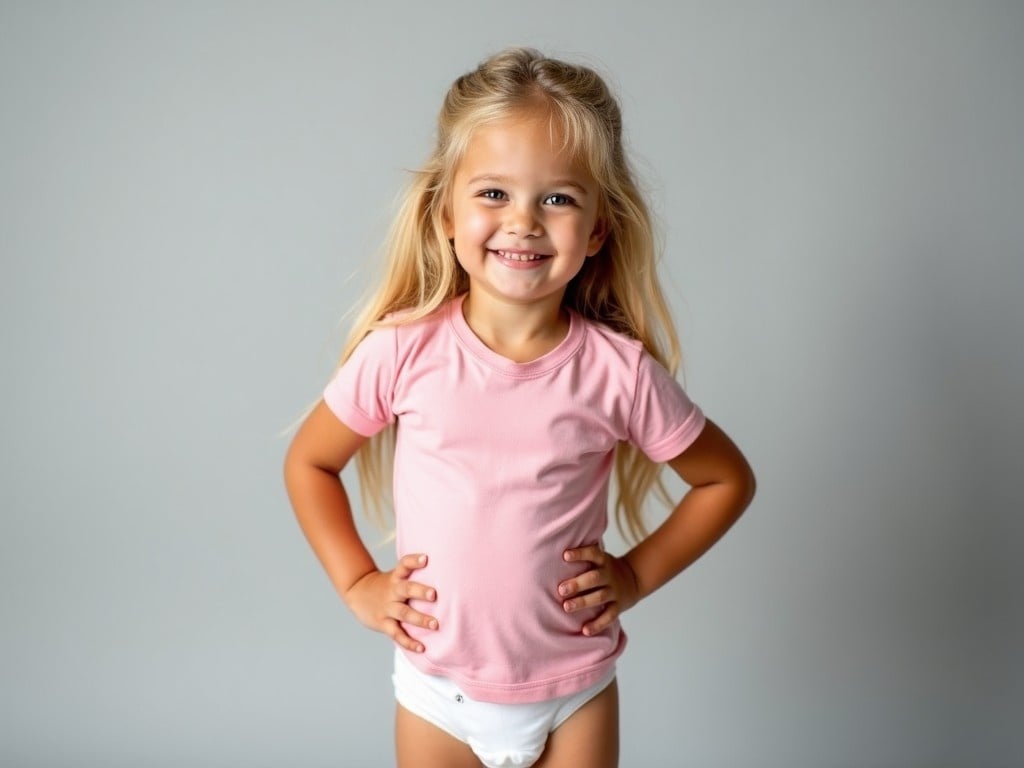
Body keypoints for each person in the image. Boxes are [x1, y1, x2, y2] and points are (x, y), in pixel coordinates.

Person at [284, 47, 756, 768]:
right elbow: (310, 461)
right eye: (494, 194)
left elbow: (726, 480)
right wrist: (357, 582)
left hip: (574, 693)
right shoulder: (402, 352)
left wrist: (633, 577)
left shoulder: (617, 372)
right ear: (445, 211)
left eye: (559, 198)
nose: (525, 222)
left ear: (597, 228)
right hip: (436, 694)